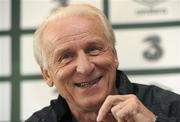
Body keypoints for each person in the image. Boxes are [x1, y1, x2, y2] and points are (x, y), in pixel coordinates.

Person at [26, 4, 180, 122]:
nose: (85, 68)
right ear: (47, 75)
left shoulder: (172, 108)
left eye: (93, 49)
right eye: (66, 56)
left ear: (114, 55)